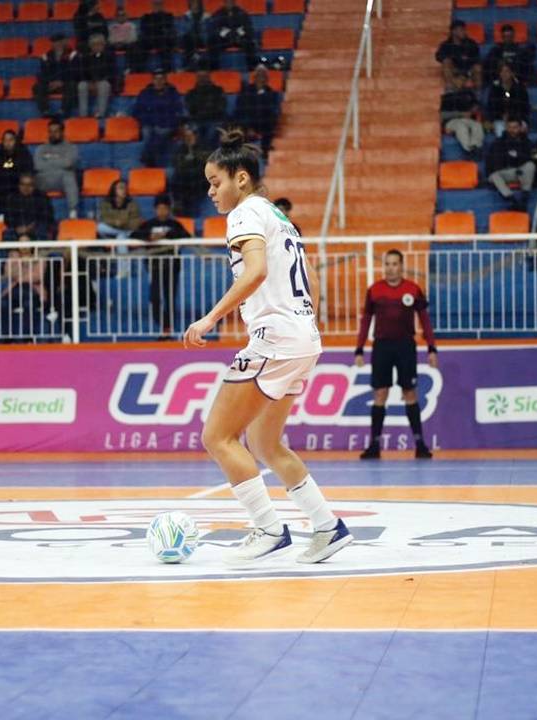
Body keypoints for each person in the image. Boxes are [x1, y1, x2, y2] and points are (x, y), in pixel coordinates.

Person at [181, 130, 348, 566]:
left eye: (215, 182)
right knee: (265, 442)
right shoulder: (278, 216)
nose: (211, 191)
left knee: (216, 436)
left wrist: (210, 318)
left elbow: (253, 272)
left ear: (241, 178)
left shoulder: (243, 214)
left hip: (275, 338)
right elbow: (307, 277)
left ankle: (269, 529)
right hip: (303, 337)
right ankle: (328, 527)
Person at [354, 249, 438, 460]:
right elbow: (365, 321)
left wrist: (431, 348)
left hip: (405, 347)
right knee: (380, 394)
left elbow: (425, 321)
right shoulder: (374, 290)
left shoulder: (413, 289)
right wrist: (359, 348)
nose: (390, 268)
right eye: (387, 264)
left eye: (394, 264)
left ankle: (420, 445)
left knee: (410, 393)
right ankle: (374, 446)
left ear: (401, 266)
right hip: (381, 347)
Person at [131, 194, 189, 338]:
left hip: (172, 267)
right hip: (155, 267)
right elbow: (134, 235)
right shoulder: (149, 224)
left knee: (169, 299)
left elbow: (187, 237)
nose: (162, 211)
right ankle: (164, 325)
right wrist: (149, 238)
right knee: (154, 298)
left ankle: (167, 330)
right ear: (155, 209)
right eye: (159, 208)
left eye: (164, 208)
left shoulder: (174, 224)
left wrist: (167, 236)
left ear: (169, 209)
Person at [133, 69, 186, 167]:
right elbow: (137, 111)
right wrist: (149, 121)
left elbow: (178, 111)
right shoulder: (145, 93)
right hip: (150, 124)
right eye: (156, 79)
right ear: (152, 80)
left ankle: (148, 158)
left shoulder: (173, 93)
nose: (159, 82)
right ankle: (152, 160)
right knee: (147, 132)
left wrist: (170, 123)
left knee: (161, 133)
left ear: (165, 80)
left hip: (168, 125)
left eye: (161, 79)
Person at [33, 119, 81, 219]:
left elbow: (68, 163)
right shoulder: (41, 148)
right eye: (50, 131)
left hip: (61, 179)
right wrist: (59, 162)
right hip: (44, 179)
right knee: (28, 180)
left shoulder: (71, 148)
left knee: (69, 176)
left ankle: (73, 211)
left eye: (56, 131)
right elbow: (37, 165)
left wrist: (49, 162)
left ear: (62, 132)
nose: (53, 134)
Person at [485, 117, 535, 210]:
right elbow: (495, 162)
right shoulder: (498, 142)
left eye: (515, 127)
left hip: (519, 172)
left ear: (520, 128)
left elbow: (530, 158)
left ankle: (524, 197)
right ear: (506, 128)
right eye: (510, 127)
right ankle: (512, 200)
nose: (512, 130)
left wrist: (514, 157)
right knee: (494, 176)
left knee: (530, 165)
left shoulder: (526, 142)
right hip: (503, 172)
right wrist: (514, 157)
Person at [234, 66, 280, 152]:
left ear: (267, 79)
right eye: (259, 76)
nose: (261, 79)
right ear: (254, 78)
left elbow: (272, 111)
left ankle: (265, 152)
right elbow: (241, 109)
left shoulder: (270, 92)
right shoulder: (246, 91)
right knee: (239, 124)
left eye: (264, 76)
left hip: (264, 123)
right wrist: (248, 127)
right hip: (248, 122)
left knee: (271, 124)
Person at [0, 173, 56, 241]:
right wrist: (17, 228)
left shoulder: (42, 198)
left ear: (34, 186)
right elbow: (8, 218)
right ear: (19, 185)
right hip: (17, 230)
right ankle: (12, 251)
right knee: (7, 234)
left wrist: (32, 227)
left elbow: (48, 217)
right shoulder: (11, 198)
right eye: (23, 184)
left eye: (29, 185)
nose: (26, 187)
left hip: (36, 230)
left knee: (42, 232)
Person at [171, 123, 210, 216]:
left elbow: (206, 162)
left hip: (200, 178)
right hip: (185, 177)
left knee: (195, 175)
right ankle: (178, 203)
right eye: (186, 136)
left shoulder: (204, 147)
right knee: (176, 176)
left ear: (196, 136)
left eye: (191, 135)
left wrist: (193, 157)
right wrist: (192, 160)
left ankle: (189, 208)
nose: (189, 138)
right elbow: (177, 164)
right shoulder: (180, 149)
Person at [440, 72, 483, 157]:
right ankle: (469, 150)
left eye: (463, 80)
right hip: (451, 121)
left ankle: (475, 148)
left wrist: (474, 109)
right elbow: (442, 115)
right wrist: (460, 114)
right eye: (459, 79)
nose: (461, 82)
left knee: (477, 125)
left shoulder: (468, 93)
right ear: (454, 80)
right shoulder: (447, 95)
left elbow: (477, 105)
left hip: (467, 119)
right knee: (461, 126)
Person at [206, 0, 257, 71]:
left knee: (249, 42)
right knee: (212, 41)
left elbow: (247, 27)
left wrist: (237, 33)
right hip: (223, 39)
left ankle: (252, 68)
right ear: (224, 2)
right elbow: (215, 28)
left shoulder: (241, 13)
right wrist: (227, 34)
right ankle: (214, 68)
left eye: (231, 1)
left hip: (239, 38)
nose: (229, 3)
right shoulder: (218, 14)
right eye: (227, 1)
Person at [35, 34, 78, 118]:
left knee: (72, 85)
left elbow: (75, 72)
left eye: (59, 42)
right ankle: (45, 111)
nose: (57, 44)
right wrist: (50, 82)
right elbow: (43, 73)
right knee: (38, 87)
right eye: (54, 42)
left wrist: (61, 82)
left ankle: (63, 110)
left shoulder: (73, 55)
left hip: (66, 83)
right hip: (51, 84)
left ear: (64, 42)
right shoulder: (46, 56)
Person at [77, 34, 120, 119]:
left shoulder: (109, 57)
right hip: (90, 83)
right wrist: (89, 82)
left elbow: (112, 72)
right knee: (81, 85)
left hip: (104, 81)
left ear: (103, 45)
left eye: (99, 44)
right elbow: (83, 73)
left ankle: (100, 114)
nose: (96, 47)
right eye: (94, 45)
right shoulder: (86, 58)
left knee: (103, 85)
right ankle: (83, 114)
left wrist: (98, 82)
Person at [185, 69, 227, 148]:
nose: (202, 79)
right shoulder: (191, 93)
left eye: (205, 76)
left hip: (214, 119)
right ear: (197, 78)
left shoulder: (218, 91)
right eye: (200, 76)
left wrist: (205, 111)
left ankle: (209, 156)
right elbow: (190, 109)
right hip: (197, 120)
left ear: (209, 77)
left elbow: (221, 107)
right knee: (194, 130)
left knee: (212, 132)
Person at [485, 64, 530, 136]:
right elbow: (491, 107)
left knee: (519, 128)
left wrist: (514, 117)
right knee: (500, 129)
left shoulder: (520, 88)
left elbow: (524, 107)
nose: (504, 74)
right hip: (500, 120)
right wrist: (500, 116)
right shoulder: (495, 88)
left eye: (507, 71)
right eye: (502, 71)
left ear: (512, 73)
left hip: (518, 119)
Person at [435, 20, 481, 88]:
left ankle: (478, 92)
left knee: (478, 68)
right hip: (455, 71)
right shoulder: (446, 45)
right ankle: (451, 86)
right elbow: (438, 56)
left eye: (464, 30)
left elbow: (476, 58)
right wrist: (454, 58)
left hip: (468, 70)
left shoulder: (471, 43)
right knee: (446, 62)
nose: (464, 32)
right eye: (461, 30)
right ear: (454, 32)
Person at [139, 0, 179, 73]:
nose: (157, 6)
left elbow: (171, 30)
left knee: (165, 45)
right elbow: (143, 30)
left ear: (163, 5)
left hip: (163, 40)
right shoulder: (146, 17)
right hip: (149, 40)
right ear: (152, 5)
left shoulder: (168, 16)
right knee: (139, 46)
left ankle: (167, 71)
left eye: (159, 4)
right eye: (155, 4)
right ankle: (139, 71)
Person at [107, 6, 141, 71]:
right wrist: (116, 43)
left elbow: (133, 38)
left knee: (134, 47)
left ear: (126, 16)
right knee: (107, 48)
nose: (121, 17)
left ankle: (129, 68)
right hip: (115, 45)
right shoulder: (111, 27)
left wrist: (123, 42)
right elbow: (110, 39)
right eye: (118, 15)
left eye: (123, 15)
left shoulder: (131, 25)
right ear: (115, 17)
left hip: (127, 44)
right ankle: (111, 69)